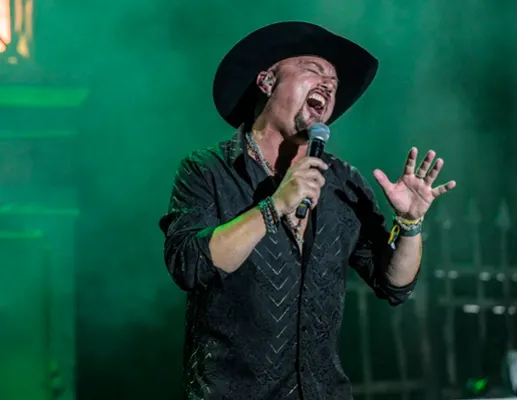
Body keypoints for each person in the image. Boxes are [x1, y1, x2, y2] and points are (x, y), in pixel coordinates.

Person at [159, 21, 456, 400]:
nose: (328, 85)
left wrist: (410, 223)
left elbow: (394, 284)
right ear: (267, 81)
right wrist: (274, 206)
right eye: (314, 70)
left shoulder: (343, 182)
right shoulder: (207, 170)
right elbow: (189, 265)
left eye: (333, 82)